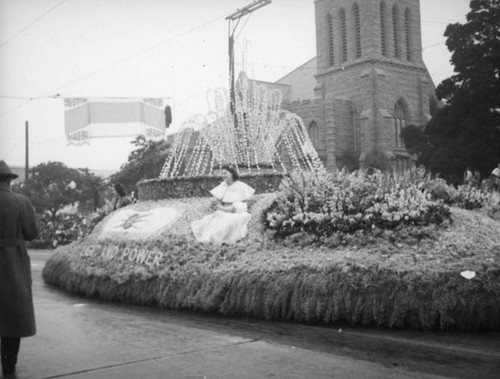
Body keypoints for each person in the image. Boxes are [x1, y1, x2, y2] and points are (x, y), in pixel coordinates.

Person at [0, 160, 38, 377]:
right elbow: (32, 233)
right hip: (12, 263)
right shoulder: (21, 202)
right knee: (12, 318)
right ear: (8, 180)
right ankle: (8, 364)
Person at [191, 166, 255, 244]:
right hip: (223, 211)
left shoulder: (241, 186)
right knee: (214, 224)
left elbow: (245, 203)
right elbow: (218, 205)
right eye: (222, 173)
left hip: (237, 212)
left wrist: (237, 207)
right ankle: (215, 241)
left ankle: (227, 241)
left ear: (232, 174)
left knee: (231, 222)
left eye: (225, 173)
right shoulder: (221, 187)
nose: (223, 175)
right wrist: (225, 209)